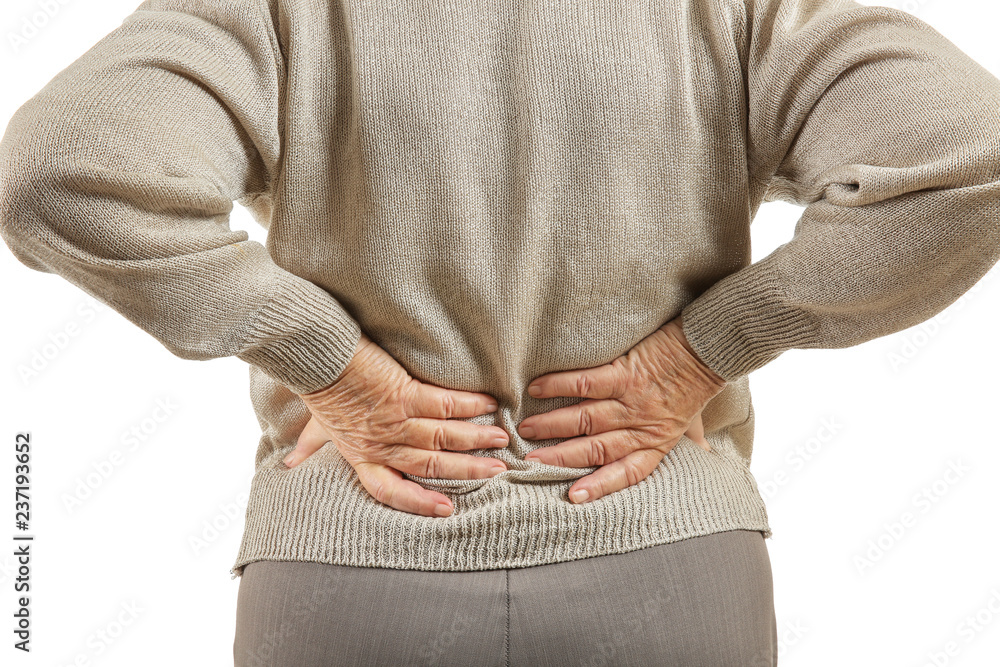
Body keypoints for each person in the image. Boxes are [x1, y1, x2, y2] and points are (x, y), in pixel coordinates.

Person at [1, 0, 998, 664]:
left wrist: (331, 367)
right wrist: (701, 353)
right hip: (664, 568)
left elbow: (54, 168)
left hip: (355, 567)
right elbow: (974, 155)